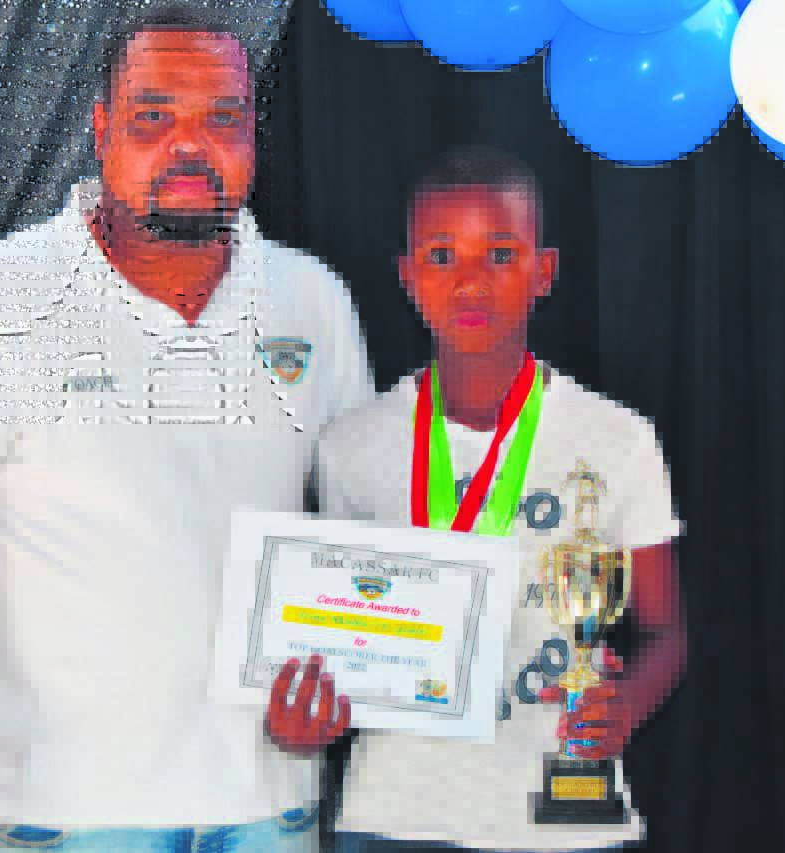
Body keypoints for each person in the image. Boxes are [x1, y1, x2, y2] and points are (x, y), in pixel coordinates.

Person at [0, 6, 372, 852]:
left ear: (253, 135)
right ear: (102, 131)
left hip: (265, 804)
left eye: (222, 119)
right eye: (153, 117)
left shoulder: (312, 299)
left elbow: (354, 546)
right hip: (56, 814)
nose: (189, 146)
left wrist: (341, 681)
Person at [316, 144, 688, 852]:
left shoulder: (617, 440)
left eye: (500, 254)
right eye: (442, 256)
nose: (470, 282)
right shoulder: (352, 446)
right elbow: (339, 638)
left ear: (543, 270)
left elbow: (665, 632)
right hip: (395, 815)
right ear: (407, 275)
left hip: (559, 816)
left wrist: (625, 704)